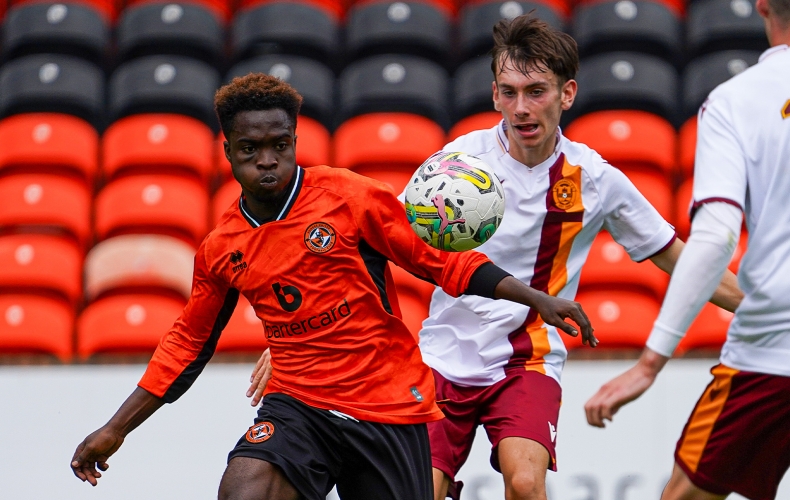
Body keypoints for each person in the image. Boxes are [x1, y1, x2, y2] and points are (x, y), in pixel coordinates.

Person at [248, 15, 743, 500]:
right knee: (423, 490)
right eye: (509, 92)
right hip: (442, 355)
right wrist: (308, 335)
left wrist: (764, 311)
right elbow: (380, 242)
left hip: (528, 358)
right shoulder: (458, 163)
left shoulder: (594, 178)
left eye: (536, 91)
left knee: (526, 484)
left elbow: (680, 258)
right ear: (493, 95)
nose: (522, 108)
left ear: (567, 94)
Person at [69, 73, 596, 500]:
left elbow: (443, 264)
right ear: (227, 151)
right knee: (243, 489)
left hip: (387, 406)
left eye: (280, 145)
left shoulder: (350, 197)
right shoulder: (221, 247)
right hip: (297, 405)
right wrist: (117, 428)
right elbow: (187, 343)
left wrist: (537, 299)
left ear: (295, 140)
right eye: (251, 149)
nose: (268, 160)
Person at [584, 0, 790, 498]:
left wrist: (651, 360)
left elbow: (716, 235)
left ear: (761, 5)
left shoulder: (735, 101)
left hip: (773, 352)